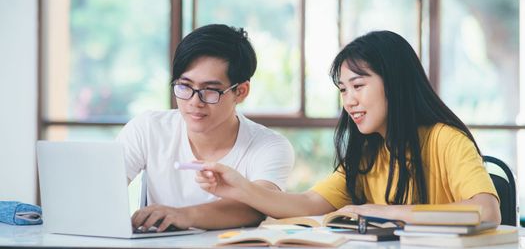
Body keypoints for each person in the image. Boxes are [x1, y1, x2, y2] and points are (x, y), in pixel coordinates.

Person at [195, 30, 501, 224]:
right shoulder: (368, 154)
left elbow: (486, 211)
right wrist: (241, 187)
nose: (349, 100)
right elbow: (308, 204)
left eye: (358, 85)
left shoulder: (445, 139)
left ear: (394, 83)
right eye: (343, 90)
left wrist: (384, 211)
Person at [116, 24, 294, 231]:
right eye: (184, 86)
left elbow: (257, 205)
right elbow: (104, 189)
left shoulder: (269, 146)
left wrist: (183, 216)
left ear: (241, 91)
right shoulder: (148, 128)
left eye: (210, 90)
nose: (194, 102)